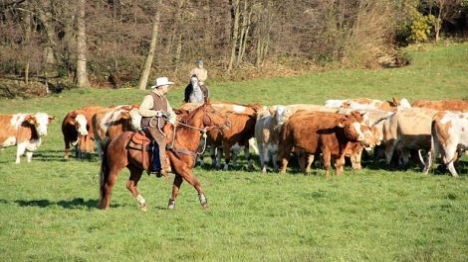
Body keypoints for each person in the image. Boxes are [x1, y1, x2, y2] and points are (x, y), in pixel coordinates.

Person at [138, 76, 176, 177]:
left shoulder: (164, 99)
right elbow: (141, 110)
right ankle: (157, 167)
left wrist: (171, 122)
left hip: (162, 126)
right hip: (149, 126)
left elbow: (171, 112)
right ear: (161, 87)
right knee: (161, 139)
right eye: (166, 86)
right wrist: (155, 113)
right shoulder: (150, 97)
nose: (168, 88)